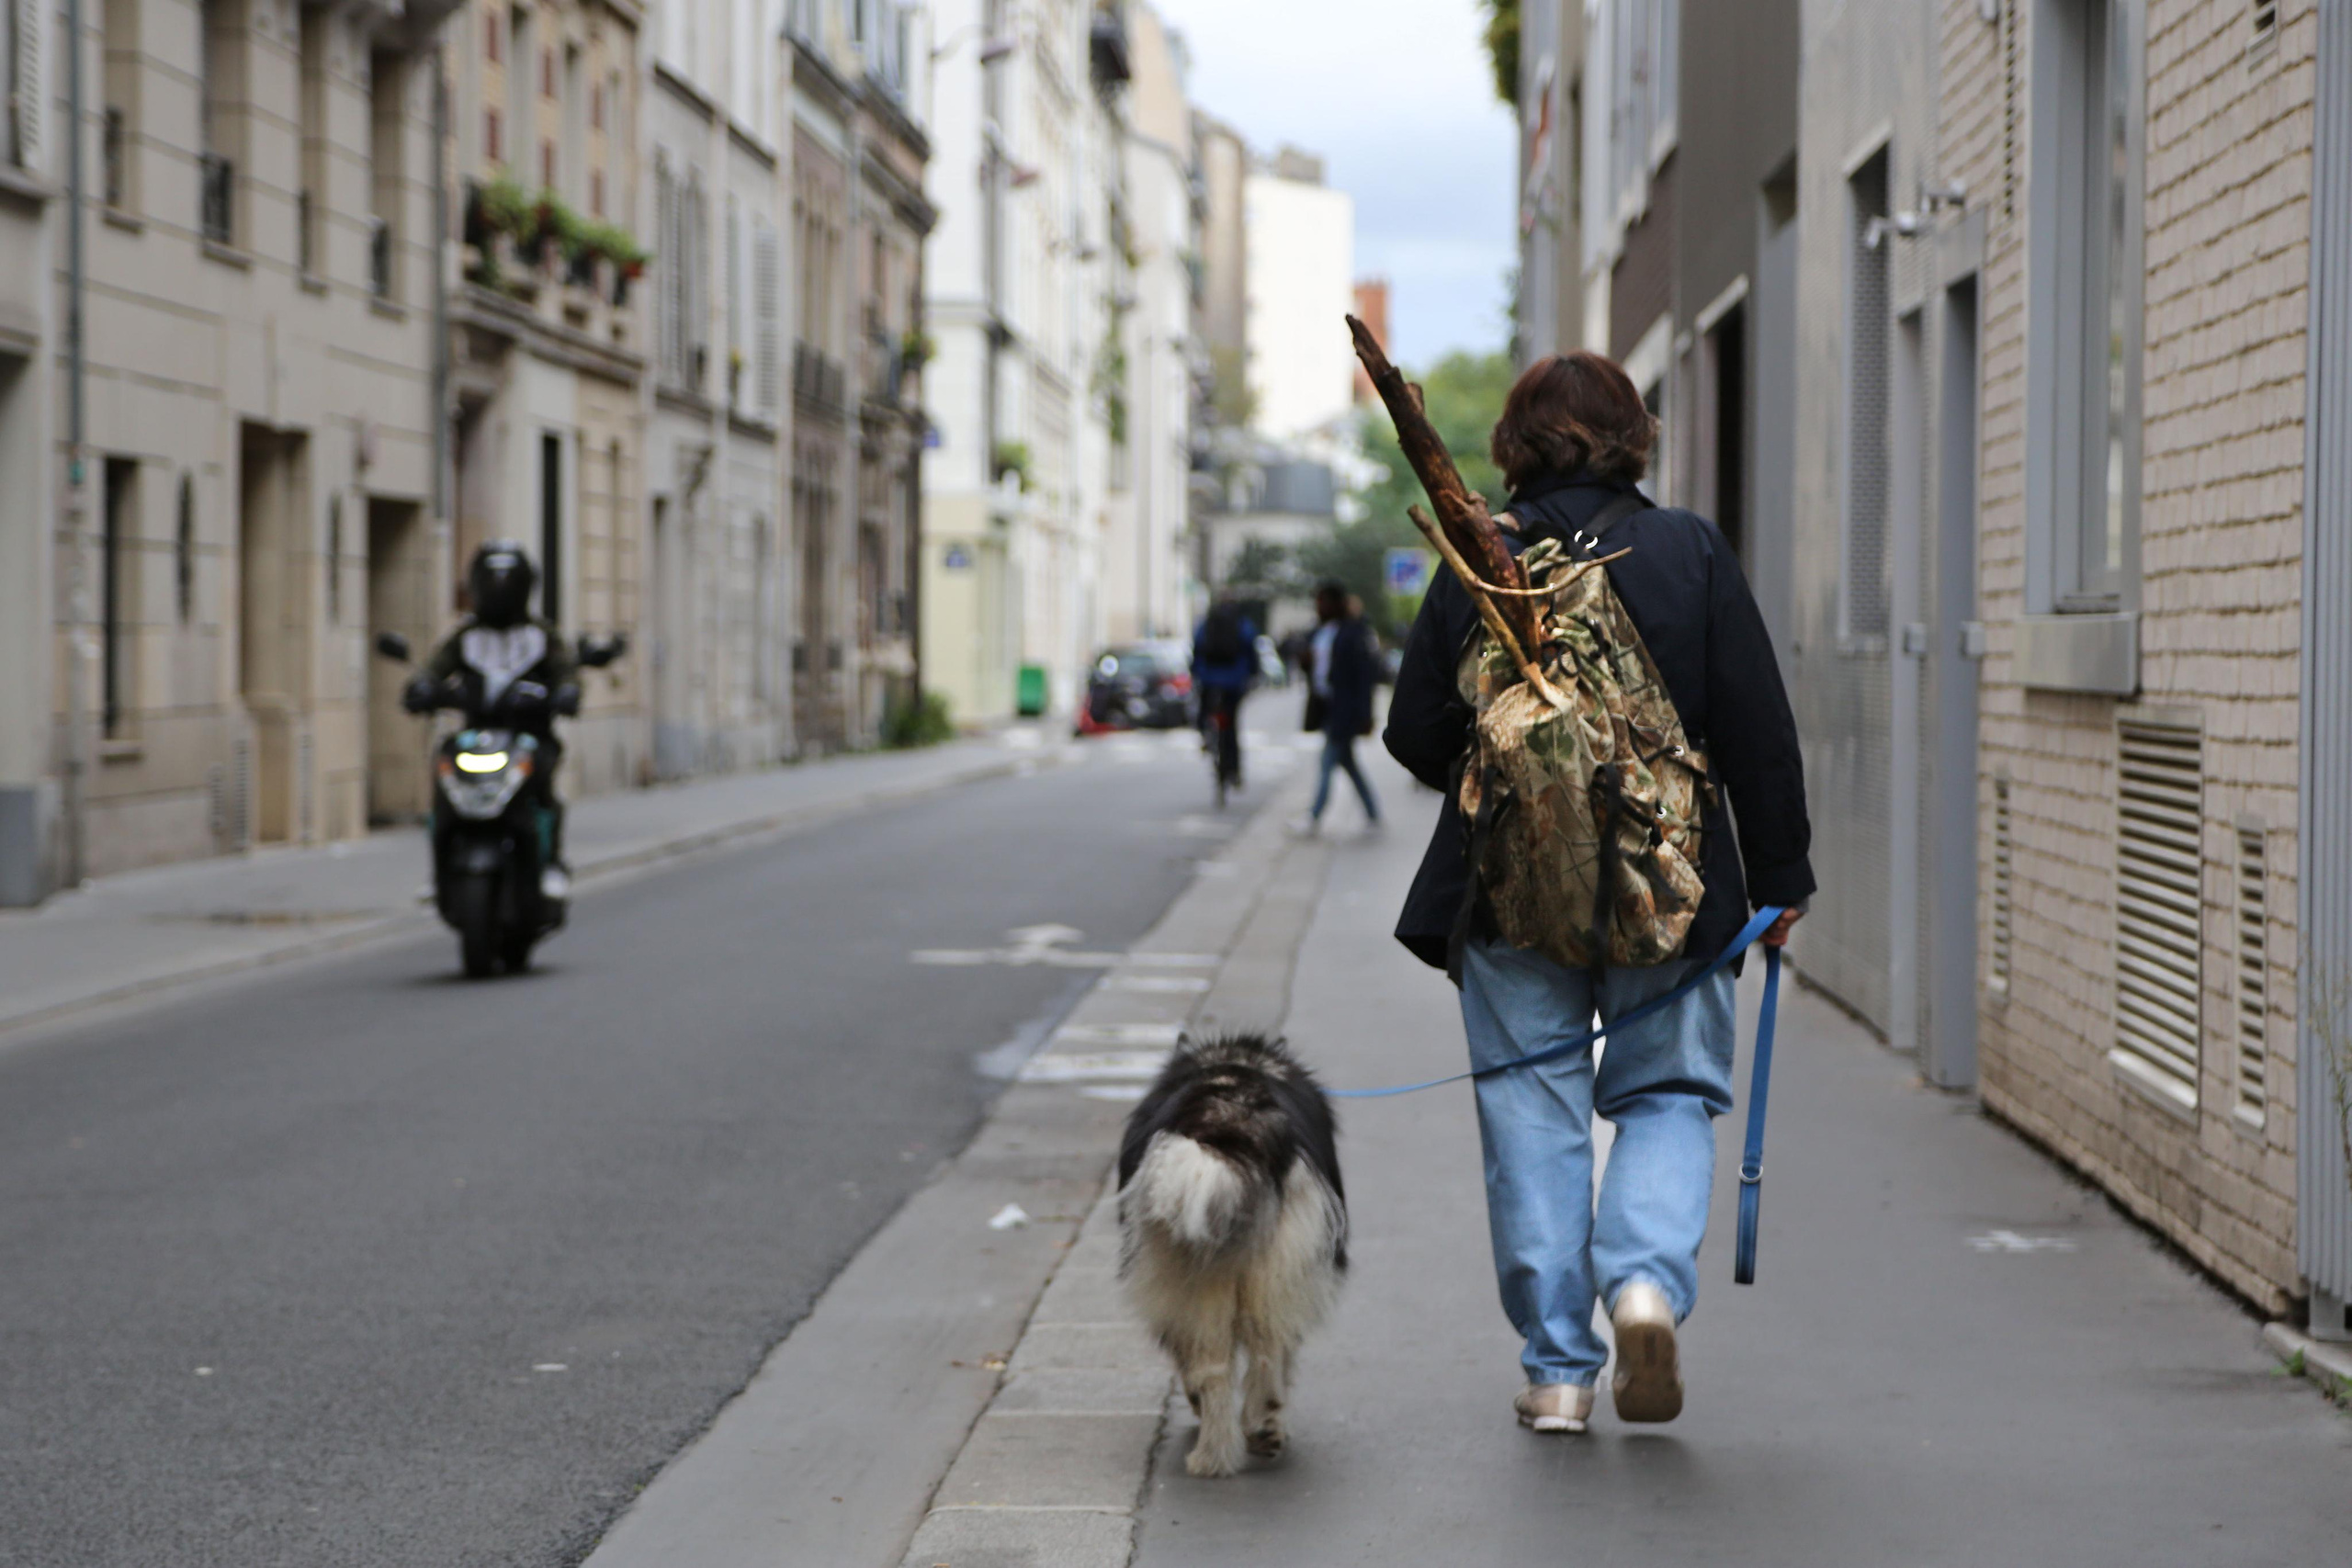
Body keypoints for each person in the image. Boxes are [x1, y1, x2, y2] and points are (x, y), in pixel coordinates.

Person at [1383, 351, 1814, 1436]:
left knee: (1532, 1114)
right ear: (1636, 437)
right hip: (1669, 881)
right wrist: (1781, 874)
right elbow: (1756, 723)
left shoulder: (1482, 556)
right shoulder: (1686, 551)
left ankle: (1560, 1372)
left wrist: (1523, 782)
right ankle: (1643, 1286)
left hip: (1505, 889)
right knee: (1666, 1094)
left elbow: (1413, 732)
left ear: (1513, 448)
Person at [405, 541, 581, 901]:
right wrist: (423, 688)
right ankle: (440, 872)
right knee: (445, 782)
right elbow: (435, 667)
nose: (500, 593)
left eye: (508, 584)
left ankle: (551, 862)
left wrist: (566, 693)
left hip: (528, 735)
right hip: (475, 735)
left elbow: (566, 671)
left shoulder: (541, 636)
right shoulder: (466, 636)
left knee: (543, 788)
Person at [1297, 580, 1382, 833]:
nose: (1318, 606)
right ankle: (1372, 811)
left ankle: (1313, 816)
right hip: (1326, 707)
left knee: (1327, 763)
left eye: (1323, 601)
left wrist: (1366, 715)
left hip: (1344, 711)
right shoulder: (1321, 632)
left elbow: (1364, 678)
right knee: (1348, 764)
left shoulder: (1354, 633)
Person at [1192, 593, 1258, 787]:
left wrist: (1196, 672)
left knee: (1204, 709)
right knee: (1232, 724)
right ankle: (1234, 770)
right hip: (1234, 679)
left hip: (1209, 677)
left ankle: (1205, 734)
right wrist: (1252, 673)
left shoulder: (1207, 623)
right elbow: (1251, 650)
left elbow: (1196, 647)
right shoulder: (1242, 623)